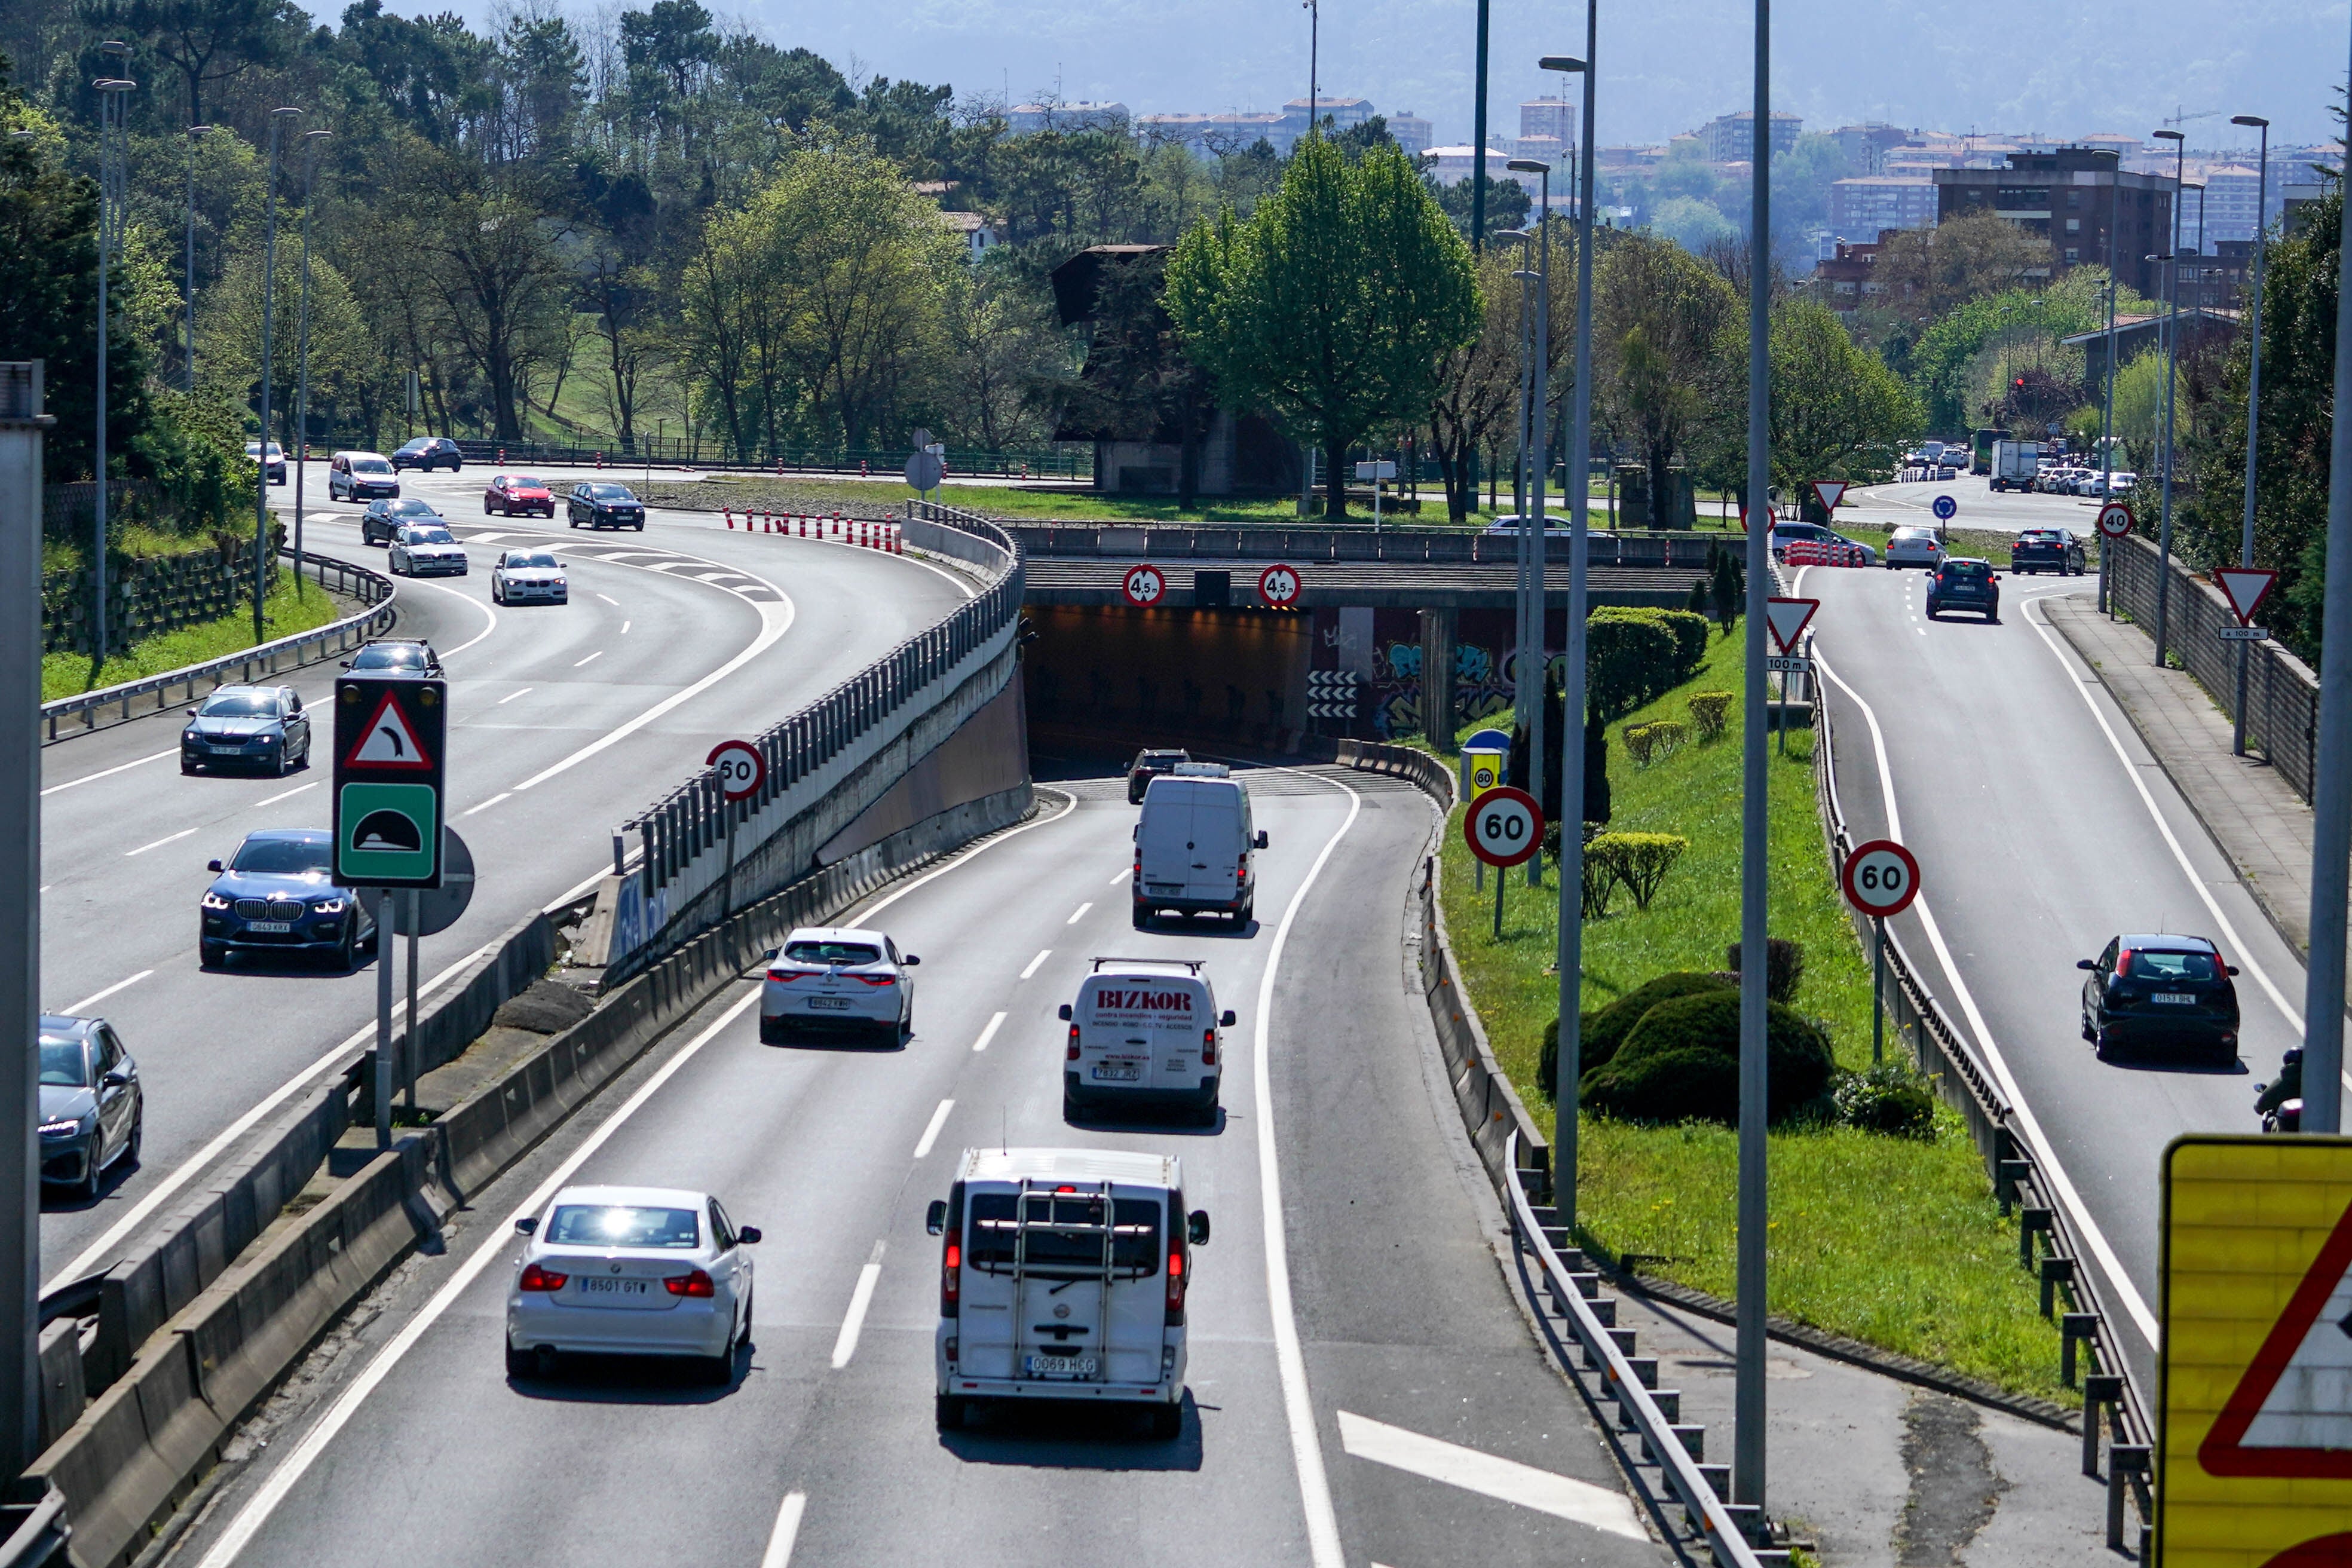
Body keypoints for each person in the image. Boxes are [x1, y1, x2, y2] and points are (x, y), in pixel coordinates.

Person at [2256, 1047, 2303, 1117]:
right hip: (2317, 1122)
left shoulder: (2280, 1085)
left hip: (2287, 1126)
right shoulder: (2318, 1083)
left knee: (2269, 1121)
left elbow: (2260, 1107)